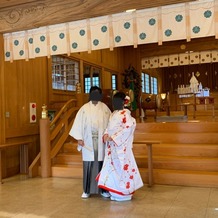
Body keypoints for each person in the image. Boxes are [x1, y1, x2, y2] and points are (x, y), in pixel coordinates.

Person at [96, 91, 144, 201]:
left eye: (117, 101)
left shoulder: (125, 114)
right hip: (112, 147)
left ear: (123, 102)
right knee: (113, 169)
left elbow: (129, 127)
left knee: (121, 168)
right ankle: (114, 191)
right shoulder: (113, 114)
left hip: (121, 147)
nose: (115, 103)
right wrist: (106, 134)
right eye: (114, 101)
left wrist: (113, 137)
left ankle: (124, 193)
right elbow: (108, 127)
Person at [69, 86, 111, 199]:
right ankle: (86, 190)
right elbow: (78, 124)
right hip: (88, 141)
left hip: (101, 141)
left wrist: (109, 135)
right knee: (88, 164)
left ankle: (103, 190)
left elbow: (111, 123)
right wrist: (79, 138)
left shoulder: (105, 108)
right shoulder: (84, 108)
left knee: (101, 164)